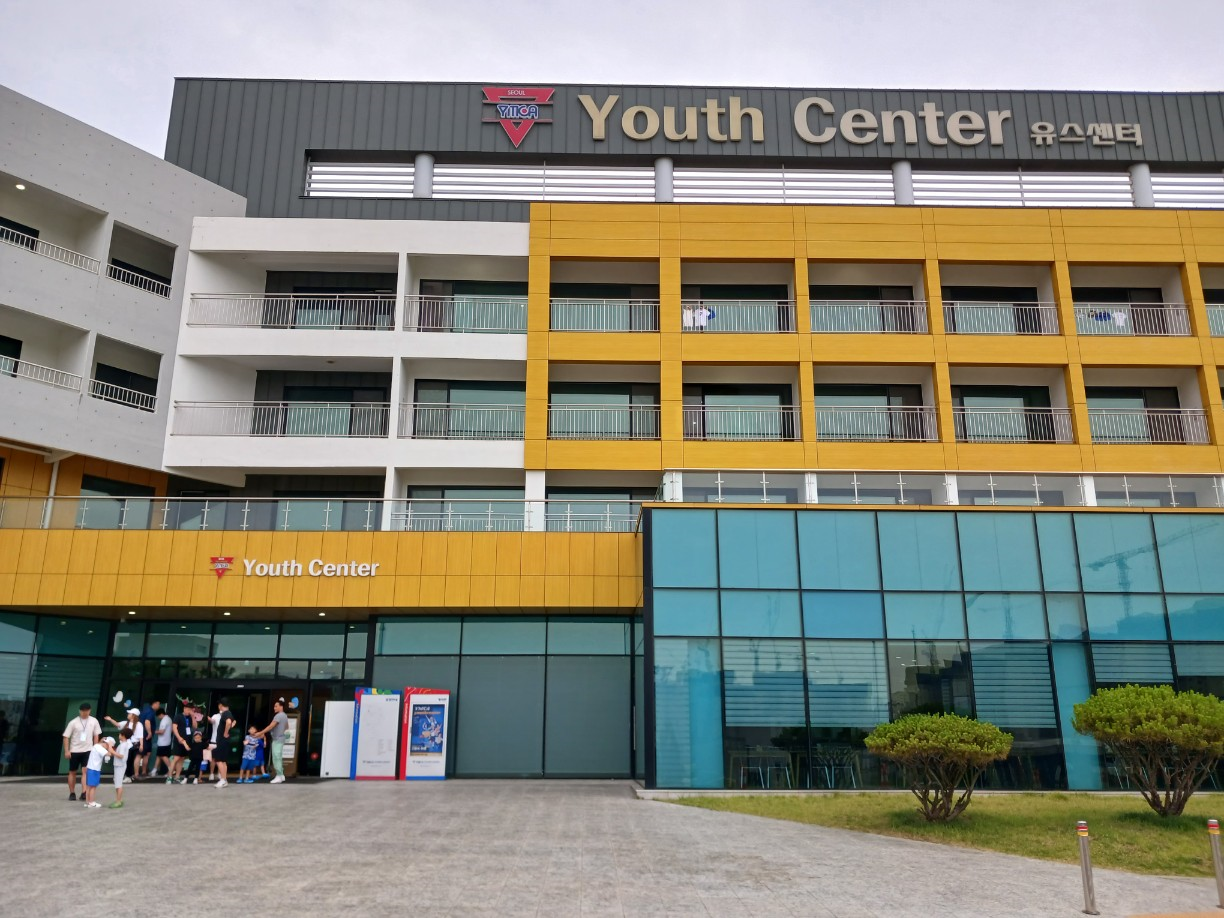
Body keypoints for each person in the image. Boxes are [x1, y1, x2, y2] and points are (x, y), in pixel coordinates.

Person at [61, 702, 101, 801]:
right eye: (83, 711)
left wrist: (95, 748)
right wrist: (67, 750)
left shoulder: (94, 721)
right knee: (72, 771)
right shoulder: (73, 722)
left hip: (88, 749)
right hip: (75, 750)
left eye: (86, 711)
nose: (85, 713)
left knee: (85, 770)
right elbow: (66, 736)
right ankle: (72, 792)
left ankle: (84, 792)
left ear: (89, 711)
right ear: (80, 711)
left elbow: (96, 735)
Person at [255, 698, 289, 784]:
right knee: (278, 757)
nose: (274, 708)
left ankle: (279, 775)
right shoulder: (285, 715)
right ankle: (281, 775)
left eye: (276, 706)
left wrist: (260, 733)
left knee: (276, 757)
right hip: (281, 738)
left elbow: (271, 726)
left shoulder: (278, 716)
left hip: (277, 739)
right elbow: (287, 727)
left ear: (281, 706)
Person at [104, 708, 142, 783]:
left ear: (133, 715)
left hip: (134, 745)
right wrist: (110, 719)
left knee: (129, 761)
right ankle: (123, 776)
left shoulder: (139, 724)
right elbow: (117, 724)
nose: (128, 715)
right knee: (125, 761)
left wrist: (141, 745)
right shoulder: (126, 723)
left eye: (130, 714)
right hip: (126, 745)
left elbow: (141, 736)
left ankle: (129, 776)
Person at [82, 736, 114, 809]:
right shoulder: (99, 748)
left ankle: (88, 802)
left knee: (89, 787)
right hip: (94, 769)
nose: (107, 748)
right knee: (93, 787)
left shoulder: (96, 746)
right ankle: (91, 802)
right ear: (106, 743)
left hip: (91, 768)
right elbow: (109, 754)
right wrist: (110, 746)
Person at [169, 702, 194, 785]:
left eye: (190, 710)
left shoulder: (190, 717)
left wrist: (193, 717)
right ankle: (169, 776)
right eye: (188, 710)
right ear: (184, 709)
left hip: (187, 740)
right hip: (179, 740)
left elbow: (194, 726)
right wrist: (179, 737)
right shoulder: (178, 716)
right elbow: (174, 728)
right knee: (176, 758)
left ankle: (177, 776)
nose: (189, 711)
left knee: (182, 758)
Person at [212, 699, 235, 788]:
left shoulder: (225, 713)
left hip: (222, 740)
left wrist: (225, 733)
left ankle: (223, 780)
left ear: (221, 705)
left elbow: (229, 722)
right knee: (223, 761)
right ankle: (224, 780)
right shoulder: (229, 713)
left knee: (219, 760)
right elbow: (233, 722)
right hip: (224, 741)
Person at [109, 727, 133, 809]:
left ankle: (118, 801)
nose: (119, 735)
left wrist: (112, 751)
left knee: (118, 784)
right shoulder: (123, 744)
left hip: (120, 765)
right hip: (119, 765)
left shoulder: (123, 745)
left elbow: (121, 756)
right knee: (117, 782)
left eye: (120, 734)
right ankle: (118, 800)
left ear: (123, 735)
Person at [137, 699, 159, 778]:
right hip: (145, 736)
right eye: (158, 704)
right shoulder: (150, 712)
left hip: (142, 735)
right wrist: (149, 732)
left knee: (146, 753)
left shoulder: (145, 710)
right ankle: (139, 772)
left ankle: (143, 771)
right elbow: (147, 721)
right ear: (154, 704)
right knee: (142, 754)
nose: (158, 706)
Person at [153, 707, 173, 779]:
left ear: (161, 714)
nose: (158, 718)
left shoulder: (164, 720)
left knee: (163, 756)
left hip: (163, 742)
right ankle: (154, 770)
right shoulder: (169, 719)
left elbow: (162, 731)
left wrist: (154, 731)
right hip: (167, 740)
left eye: (158, 716)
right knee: (159, 756)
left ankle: (171, 769)